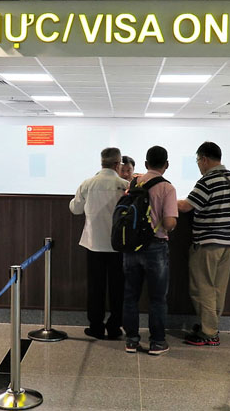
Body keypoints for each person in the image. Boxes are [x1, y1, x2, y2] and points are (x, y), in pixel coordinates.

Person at [178, 141, 230, 346]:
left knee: (203, 288)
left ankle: (208, 333)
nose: (199, 164)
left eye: (198, 160)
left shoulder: (206, 181)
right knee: (218, 288)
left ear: (205, 159)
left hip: (207, 243)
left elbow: (185, 207)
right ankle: (212, 325)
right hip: (228, 242)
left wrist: (166, 199)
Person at [122, 146, 178, 356]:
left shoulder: (134, 182)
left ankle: (131, 341)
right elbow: (169, 222)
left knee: (130, 295)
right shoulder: (167, 188)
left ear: (145, 164)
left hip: (132, 246)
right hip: (156, 247)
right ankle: (157, 342)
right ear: (166, 165)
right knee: (157, 297)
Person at [70, 147, 129, 340]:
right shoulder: (124, 184)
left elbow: (75, 209)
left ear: (101, 162)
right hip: (118, 245)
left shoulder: (88, 183)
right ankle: (114, 327)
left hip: (93, 244)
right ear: (117, 164)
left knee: (96, 287)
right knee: (117, 287)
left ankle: (95, 326)